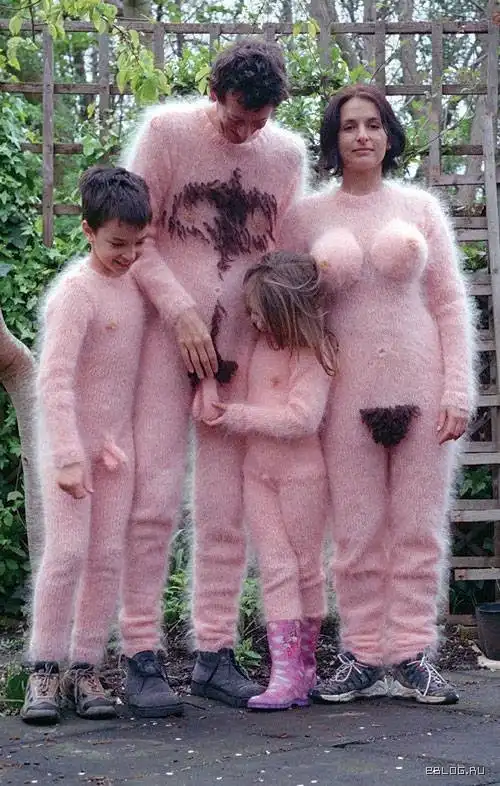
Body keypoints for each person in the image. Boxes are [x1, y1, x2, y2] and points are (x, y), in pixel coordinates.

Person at [119, 37, 307, 712]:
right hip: (162, 342)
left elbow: (282, 251)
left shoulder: (286, 156)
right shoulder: (165, 134)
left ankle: (214, 653)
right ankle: (140, 655)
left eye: (259, 120)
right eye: (236, 117)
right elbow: (133, 237)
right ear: (213, 91)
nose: (246, 131)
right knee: (152, 499)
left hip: (239, 355)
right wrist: (179, 313)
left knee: (224, 511)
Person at [279, 84, 476, 705]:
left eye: (372, 124)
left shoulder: (421, 209)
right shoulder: (305, 218)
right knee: (356, 532)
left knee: (418, 530)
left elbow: (449, 306)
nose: (361, 135)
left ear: (389, 135)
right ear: (333, 140)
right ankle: (364, 655)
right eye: (349, 126)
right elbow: (285, 309)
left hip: (423, 392)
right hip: (341, 399)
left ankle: (412, 654)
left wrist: (458, 392)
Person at [21, 167, 154, 724]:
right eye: (117, 243)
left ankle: (85, 667)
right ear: (88, 231)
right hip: (70, 452)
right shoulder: (76, 293)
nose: (128, 255)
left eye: (137, 243)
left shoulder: (136, 289)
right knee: (68, 554)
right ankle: (44, 670)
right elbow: (52, 380)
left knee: (106, 558)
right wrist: (68, 457)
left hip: (118, 451)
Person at [193, 251, 337, 710]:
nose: (251, 319)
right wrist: (210, 394)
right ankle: (284, 674)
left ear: (283, 309)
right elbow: (229, 376)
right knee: (275, 568)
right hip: (258, 475)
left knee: (305, 567)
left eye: (258, 310)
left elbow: (302, 419)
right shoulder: (258, 346)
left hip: (301, 478)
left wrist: (237, 417)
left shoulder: (314, 353)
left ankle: (305, 669)